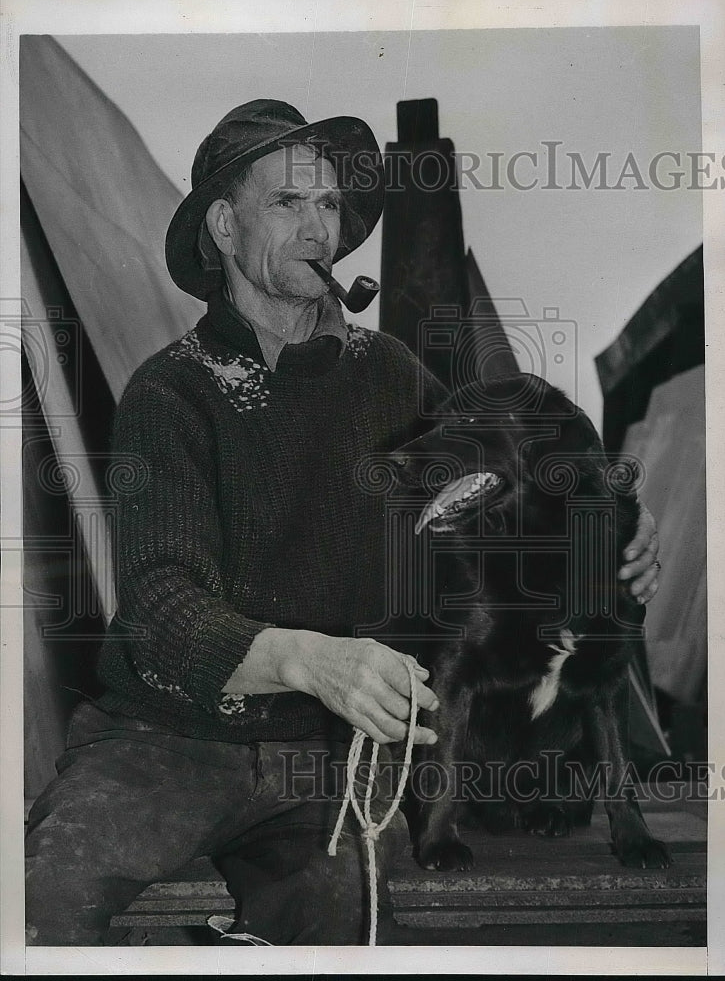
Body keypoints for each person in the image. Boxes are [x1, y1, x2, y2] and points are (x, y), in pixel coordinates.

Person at [24, 100, 661, 947]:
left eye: (329, 205)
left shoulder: (389, 376)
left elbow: (504, 476)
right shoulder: (170, 391)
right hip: (165, 742)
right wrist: (308, 659)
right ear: (222, 225)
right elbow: (160, 605)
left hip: (328, 758)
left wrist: (618, 526)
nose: (319, 227)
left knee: (351, 930)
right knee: (42, 904)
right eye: (288, 202)